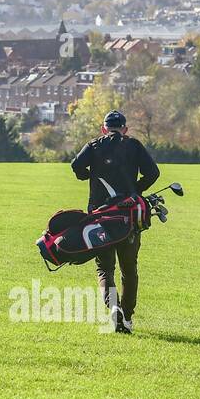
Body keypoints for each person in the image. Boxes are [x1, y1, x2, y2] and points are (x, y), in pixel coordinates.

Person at [70, 110, 160, 335]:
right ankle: (127, 317)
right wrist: (136, 189)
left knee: (104, 268)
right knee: (129, 270)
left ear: (104, 129)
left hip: (99, 218)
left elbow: (76, 166)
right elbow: (153, 173)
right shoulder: (134, 145)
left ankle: (113, 306)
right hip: (129, 217)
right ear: (125, 129)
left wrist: (88, 175)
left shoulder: (93, 145)